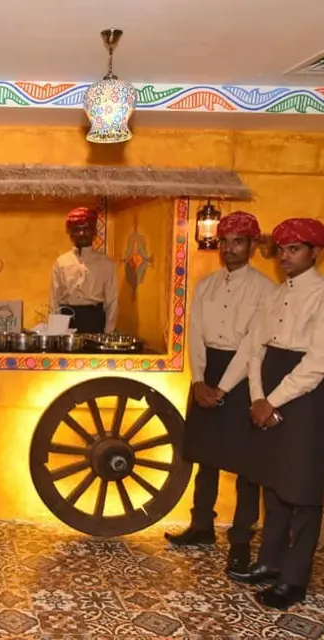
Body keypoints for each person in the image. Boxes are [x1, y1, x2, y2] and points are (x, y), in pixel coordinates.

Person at [164, 211, 275, 574]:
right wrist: (198, 380)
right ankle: (201, 526)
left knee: (245, 463)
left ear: (253, 246)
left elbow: (252, 346)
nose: (229, 248)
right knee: (205, 456)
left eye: (238, 242)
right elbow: (194, 333)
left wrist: (223, 388)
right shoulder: (205, 285)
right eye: (224, 242)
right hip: (207, 369)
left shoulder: (265, 290)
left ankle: (241, 539)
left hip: (245, 376)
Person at [229, 217, 324, 610]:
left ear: (315, 253)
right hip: (266, 392)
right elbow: (256, 350)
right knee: (272, 482)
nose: (285, 257)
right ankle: (269, 562)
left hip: (305, 398)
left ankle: (294, 579)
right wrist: (256, 397)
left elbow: (318, 362)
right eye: (281, 250)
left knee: (302, 490)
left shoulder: (321, 295)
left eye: (295, 249)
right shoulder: (273, 296)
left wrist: (274, 400)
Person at [49, 207, 118, 333]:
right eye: (77, 229)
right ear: (70, 233)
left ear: (94, 231)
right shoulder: (61, 263)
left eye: (86, 229)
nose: (82, 234)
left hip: (95, 321)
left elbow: (112, 302)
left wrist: (108, 333)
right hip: (66, 321)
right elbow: (54, 300)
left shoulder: (107, 264)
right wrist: (55, 333)